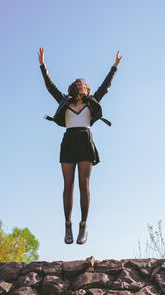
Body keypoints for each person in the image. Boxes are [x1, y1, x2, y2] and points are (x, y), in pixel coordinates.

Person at [38, 47, 122, 245]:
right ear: (72, 88)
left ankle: (83, 225)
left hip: (85, 140)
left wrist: (115, 66)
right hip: (69, 141)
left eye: (83, 83)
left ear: (87, 89)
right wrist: (42, 64)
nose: (80, 84)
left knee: (84, 185)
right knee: (68, 185)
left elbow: (106, 86)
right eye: (77, 83)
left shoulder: (92, 102)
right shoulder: (64, 101)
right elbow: (50, 86)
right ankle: (68, 224)